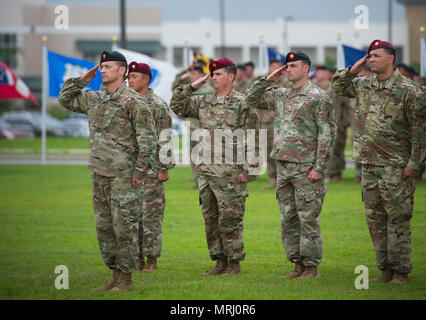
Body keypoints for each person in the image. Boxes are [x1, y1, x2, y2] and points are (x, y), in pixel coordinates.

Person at [58, 51, 160, 291]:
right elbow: (64, 99)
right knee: (105, 229)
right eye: (101, 67)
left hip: (124, 176)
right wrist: (83, 79)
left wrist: (139, 173)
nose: (102, 70)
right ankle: (114, 275)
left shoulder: (134, 101)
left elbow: (148, 141)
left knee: (124, 228)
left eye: (108, 67)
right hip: (99, 172)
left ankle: (125, 280)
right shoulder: (94, 99)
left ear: (121, 71)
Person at [332, 40, 425, 283]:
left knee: (398, 219)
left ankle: (401, 272)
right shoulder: (363, 84)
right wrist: (355, 68)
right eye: (369, 56)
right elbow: (338, 86)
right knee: (375, 220)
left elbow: (419, 130)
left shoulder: (409, 90)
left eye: (375, 56)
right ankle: (385, 269)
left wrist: (415, 163)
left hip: (396, 166)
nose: (371, 60)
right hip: (369, 165)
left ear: (390, 59)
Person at [246, 51, 336, 280]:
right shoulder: (281, 94)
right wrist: (269, 77)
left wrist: (319, 167)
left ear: (306, 68)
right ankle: (296, 264)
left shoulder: (318, 96)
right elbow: (250, 98)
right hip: (284, 165)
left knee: (307, 218)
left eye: (293, 66)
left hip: (306, 167)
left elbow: (327, 134)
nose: (288, 69)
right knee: (288, 219)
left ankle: (311, 267)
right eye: (287, 66)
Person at [170, 57, 259, 275]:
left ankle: (234, 263)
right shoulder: (204, 101)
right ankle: (219, 261)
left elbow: (253, 136)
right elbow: (177, 105)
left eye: (218, 74)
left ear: (231, 76)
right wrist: (192, 86)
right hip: (206, 171)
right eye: (212, 74)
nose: (214, 78)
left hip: (230, 172)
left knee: (230, 219)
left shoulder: (242, 102)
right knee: (210, 219)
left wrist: (250, 170)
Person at [127, 61, 175, 272]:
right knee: (131, 215)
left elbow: (165, 137)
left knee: (151, 215)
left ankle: (151, 260)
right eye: (128, 77)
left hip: (151, 169)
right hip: (129, 168)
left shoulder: (157, 104)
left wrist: (163, 168)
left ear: (146, 79)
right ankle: (135, 257)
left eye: (134, 77)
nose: (130, 80)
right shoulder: (126, 101)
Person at [314, 66, 352, 182]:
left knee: (336, 150)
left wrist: (343, 124)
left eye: (322, 71)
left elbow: (345, 107)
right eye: (318, 72)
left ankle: (336, 173)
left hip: (336, 123)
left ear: (329, 74)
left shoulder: (336, 88)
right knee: (323, 150)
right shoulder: (316, 86)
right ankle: (328, 173)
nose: (318, 74)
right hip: (321, 122)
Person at [259, 58, 292, 190]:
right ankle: (272, 178)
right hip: (265, 122)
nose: (275, 69)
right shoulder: (265, 82)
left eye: (277, 67)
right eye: (272, 66)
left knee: (280, 152)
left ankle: (283, 179)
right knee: (267, 151)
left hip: (280, 123)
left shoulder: (286, 82)